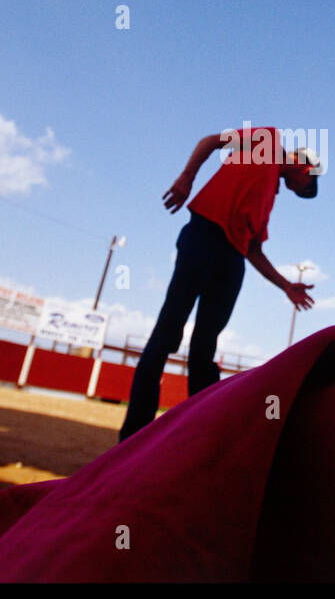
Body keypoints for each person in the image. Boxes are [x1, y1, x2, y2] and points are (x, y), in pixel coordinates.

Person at [119, 126, 318, 441]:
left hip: (232, 261)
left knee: (204, 348)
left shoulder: (269, 197)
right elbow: (210, 142)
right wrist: (187, 178)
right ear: (308, 167)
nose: (298, 189)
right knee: (166, 333)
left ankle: (203, 437)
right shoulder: (267, 139)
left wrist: (286, 285)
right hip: (203, 236)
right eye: (305, 186)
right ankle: (133, 435)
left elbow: (254, 250)